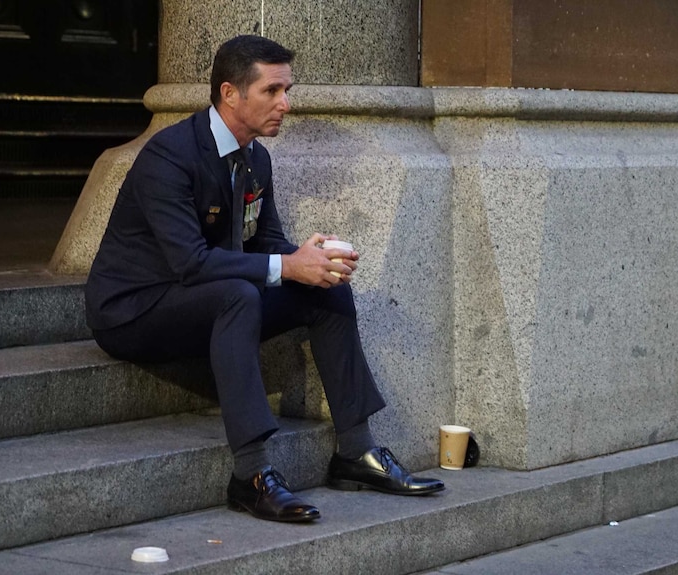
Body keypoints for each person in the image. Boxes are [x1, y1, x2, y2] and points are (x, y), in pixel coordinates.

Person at [84, 34, 444, 523]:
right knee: (237, 295)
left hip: (204, 299)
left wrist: (308, 259)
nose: (285, 104)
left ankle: (356, 453)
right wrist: (286, 266)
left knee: (324, 290)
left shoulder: (257, 158)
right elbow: (190, 262)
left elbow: (266, 242)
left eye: (286, 90)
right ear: (230, 93)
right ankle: (251, 476)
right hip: (133, 311)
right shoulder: (168, 156)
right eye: (271, 91)